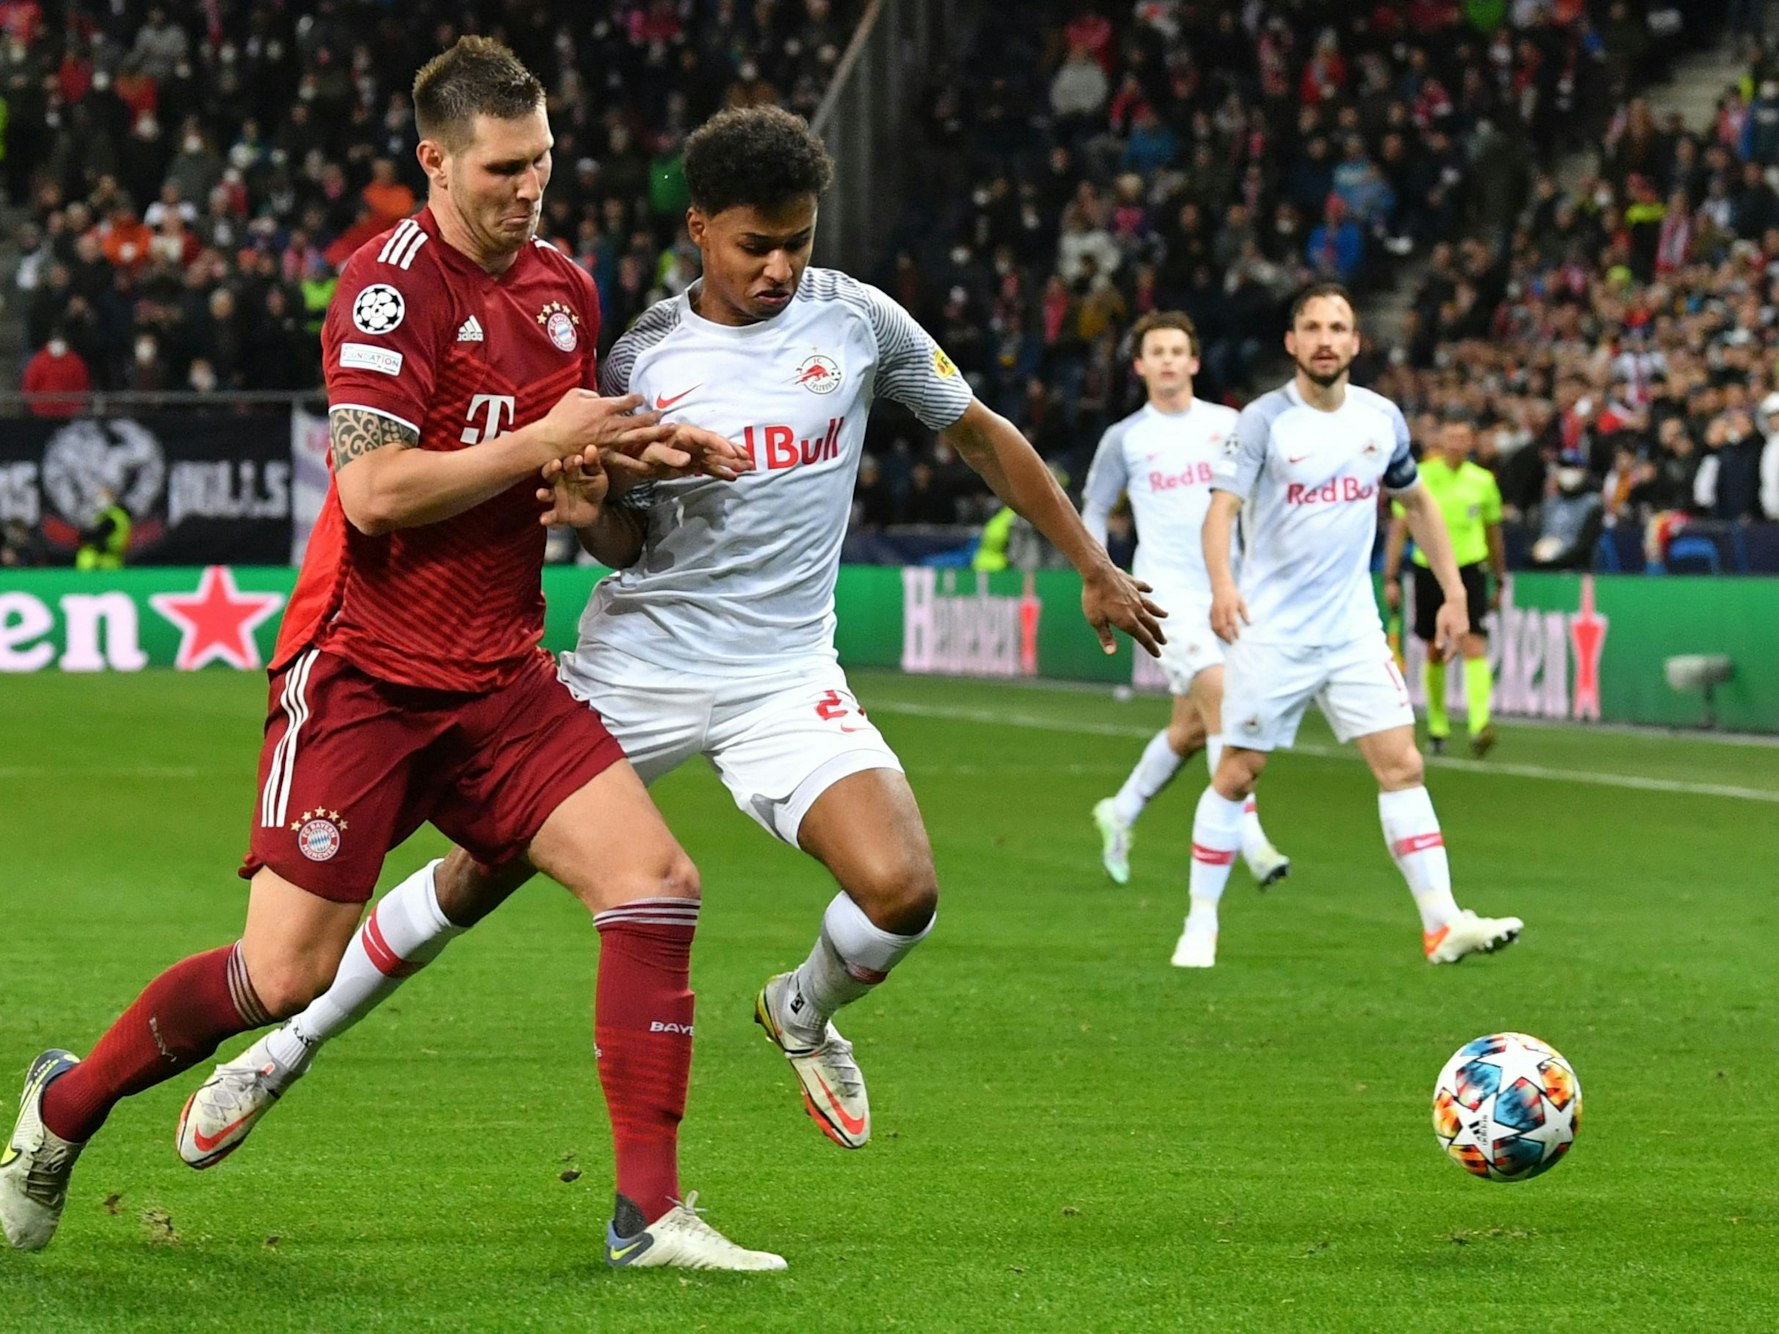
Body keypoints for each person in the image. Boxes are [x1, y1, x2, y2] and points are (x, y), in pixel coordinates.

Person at [172, 105, 1164, 1198]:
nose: (782, 266)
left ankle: (802, 1007)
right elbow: (612, 533)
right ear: (700, 228)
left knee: (904, 891)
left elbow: (981, 430)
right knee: (473, 876)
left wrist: (1092, 561)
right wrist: (597, 503)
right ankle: (286, 1043)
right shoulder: (641, 351)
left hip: (784, 675)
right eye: (756, 244)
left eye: (800, 240)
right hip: (636, 663)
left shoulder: (863, 324)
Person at [2, 37, 783, 1273]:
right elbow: (373, 489)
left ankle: (647, 1213)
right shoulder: (387, 288)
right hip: (363, 672)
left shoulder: (564, 291)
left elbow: (549, 462)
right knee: (279, 974)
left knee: (656, 884)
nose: (529, 186)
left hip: (501, 678)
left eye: (543, 161)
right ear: (435, 158)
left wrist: (633, 458)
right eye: (503, 165)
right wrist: (541, 443)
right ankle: (62, 1106)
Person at [1178, 283, 1523, 969]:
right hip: (1269, 631)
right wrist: (1221, 585)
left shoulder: (1380, 418)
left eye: (1338, 326)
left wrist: (1454, 591)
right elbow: (1220, 511)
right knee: (1239, 772)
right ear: (1292, 342)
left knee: (1403, 765)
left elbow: (1416, 502)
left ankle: (1440, 923)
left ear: (1356, 341)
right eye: (1312, 327)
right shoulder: (1262, 422)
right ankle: (1200, 923)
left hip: (1352, 631)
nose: (1326, 339)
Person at [1082, 310, 1289, 896]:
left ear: (1194, 362)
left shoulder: (1232, 424)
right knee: (1225, 698)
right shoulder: (1126, 438)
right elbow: (1094, 508)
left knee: (1191, 730)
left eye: (1179, 350)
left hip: (1231, 590)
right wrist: (1100, 573)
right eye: (1158, 351)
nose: (1169, 360)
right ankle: (1252, 841)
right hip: (1164, 598)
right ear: (1141, 365)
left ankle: (1119, 811)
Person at [1382, 410, 1507, 757]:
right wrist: (1390, 576)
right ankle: (1437, 724)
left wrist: (1500, 575)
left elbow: (1493, 532)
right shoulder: (1420, 476)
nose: (1456, 444)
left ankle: (1479, 723)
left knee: (1473, 643)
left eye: (1462, 437)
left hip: (1469, 568)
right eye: (1450, 437)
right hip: (1428, 569)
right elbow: (1400, 527)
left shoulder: (1482, 481)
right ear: (1441, 441)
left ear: (1471, 442)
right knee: (1434, 648)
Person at [74, 487, 131, 571]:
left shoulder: (115, 516)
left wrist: (85, 535)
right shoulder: (100, 515)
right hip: (92, 562)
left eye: (105, 497)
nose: (100, 500)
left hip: (104, 562)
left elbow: (97, 535)